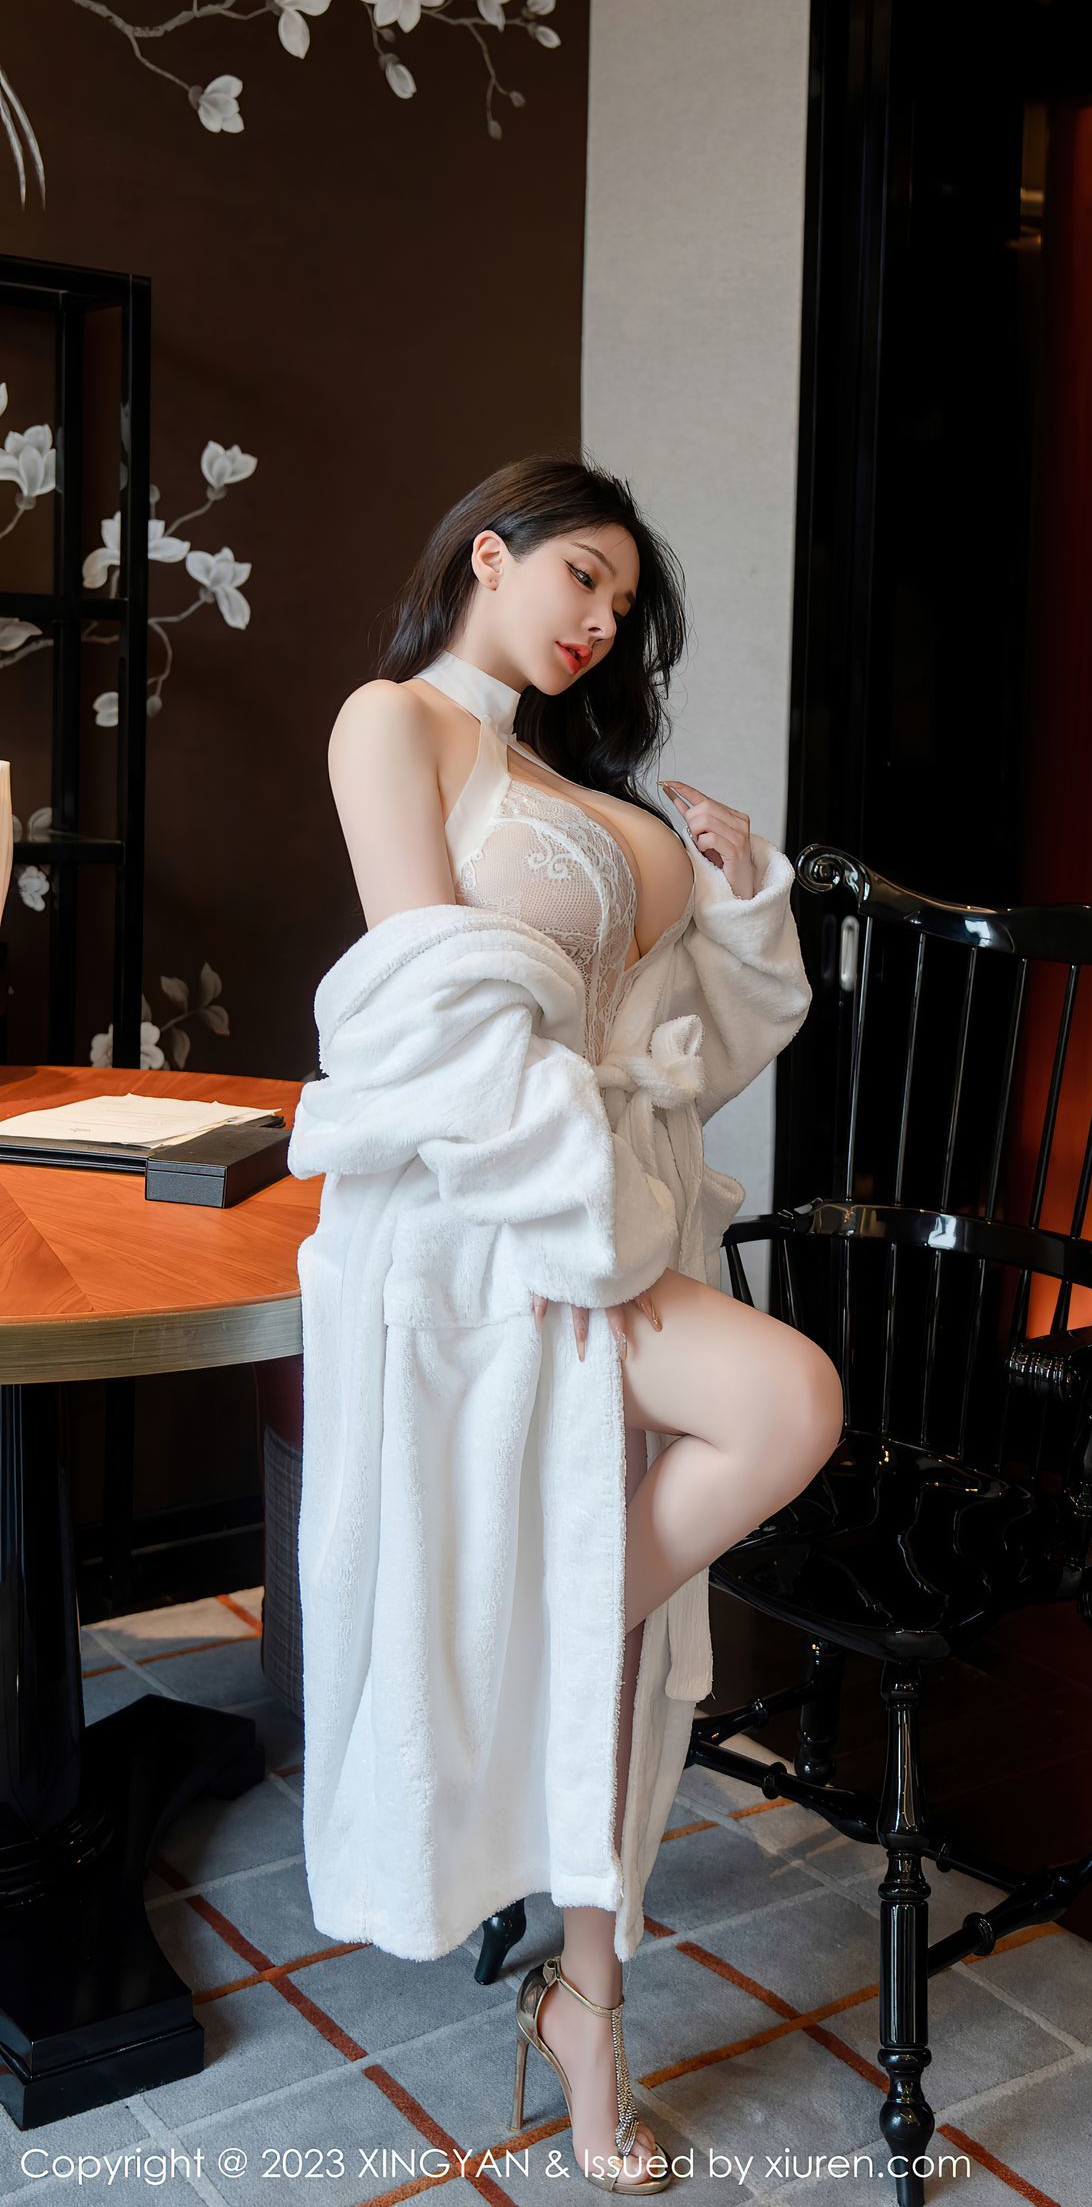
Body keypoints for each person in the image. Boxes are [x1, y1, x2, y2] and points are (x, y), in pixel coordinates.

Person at [319, 453, 844, 2191]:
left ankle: (589, 2015)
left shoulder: (564, 779)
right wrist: (570, 1209)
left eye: (624, 605)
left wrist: (737, 895)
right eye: (585, 579)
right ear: (493, 552)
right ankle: (572, 1968)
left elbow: (692, 1045)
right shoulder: (396, 725)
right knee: (788, 1401)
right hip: (501, 1236)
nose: (604, 621)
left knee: (621, 1653)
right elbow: (424, 1014)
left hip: (615, 1216)